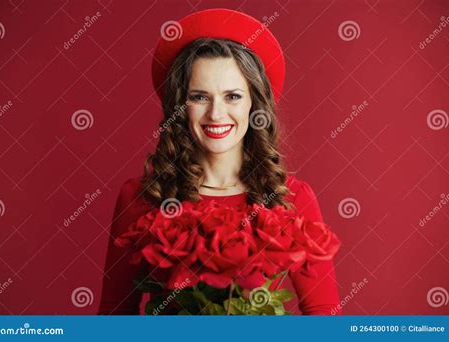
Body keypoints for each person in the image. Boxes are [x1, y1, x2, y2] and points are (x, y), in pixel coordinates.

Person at [98, 8, 340, 315]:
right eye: (199, 97)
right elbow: (115, 315)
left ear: (255, 101)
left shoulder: (291, 198)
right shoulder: (141, 197)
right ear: (180, 105)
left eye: (233, 96)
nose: (215, 114)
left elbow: (324, 315)